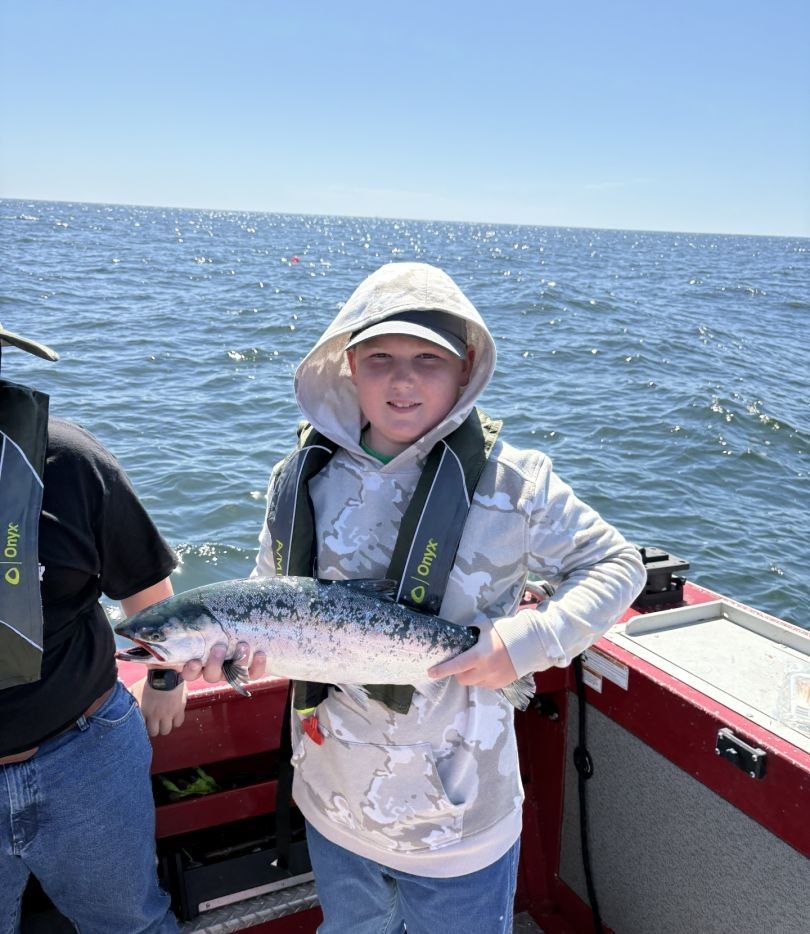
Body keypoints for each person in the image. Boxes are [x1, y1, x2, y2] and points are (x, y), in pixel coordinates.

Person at [247, 262, 647, 933]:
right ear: (347, 364)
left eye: (427, 359)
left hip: (461, 822)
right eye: (380, 358)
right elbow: (271, 603)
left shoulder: (515, 482)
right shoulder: (297, 477)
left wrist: (528, 641)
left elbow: (617, 566)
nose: (402, 379)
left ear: (465, 368)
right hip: (332, 801)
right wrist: (233, 656)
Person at [0, 324, 180, 934]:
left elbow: (148, 593)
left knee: (130, 923)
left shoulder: (69, 460)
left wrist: (165, 676)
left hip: (83, 754)